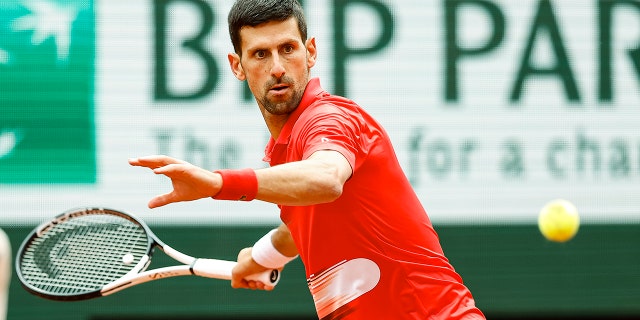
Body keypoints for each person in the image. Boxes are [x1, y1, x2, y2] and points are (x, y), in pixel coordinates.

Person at [129, 0, 485, 318]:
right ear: (237, 66)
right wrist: (261, 258)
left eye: (288, 49)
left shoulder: (331, 118)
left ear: (310, 52)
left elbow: (326, 180)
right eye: (260, 54)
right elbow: (303, 225)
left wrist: (221, 183)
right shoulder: (285, 149)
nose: (278, 67)